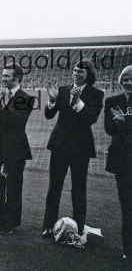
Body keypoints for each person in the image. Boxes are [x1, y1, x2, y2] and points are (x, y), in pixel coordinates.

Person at [41, 59, 104, 246]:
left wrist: (78, 101)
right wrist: (52, 100)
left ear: (89, 75)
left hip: (80, 147)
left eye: (81, 72)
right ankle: (48, 226)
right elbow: (49, 115)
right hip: (59, 145)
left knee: (78, 189)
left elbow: (91, 119)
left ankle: (79, 228)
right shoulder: (62, 90)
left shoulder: (96, 94)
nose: (76, 74)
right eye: (75, 71)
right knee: (54, 187)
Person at [0, 63, 34, 235]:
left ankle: (12, 223)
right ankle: (2, 220)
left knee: (13, 186)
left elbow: (19, 121)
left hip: (15, 149)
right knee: (0, 186)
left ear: (17, 78)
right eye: (3, 75)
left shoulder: (27, 98)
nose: (3, 78)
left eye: (7, 76)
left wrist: (4, 105)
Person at [104, 65, 132, 262]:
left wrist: (126, 123)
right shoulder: (112, 101)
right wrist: (120, 124)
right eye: (126, 79)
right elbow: (109, 129)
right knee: (127, 205)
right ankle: (128, 249)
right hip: (122, 160)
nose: (129, 82)